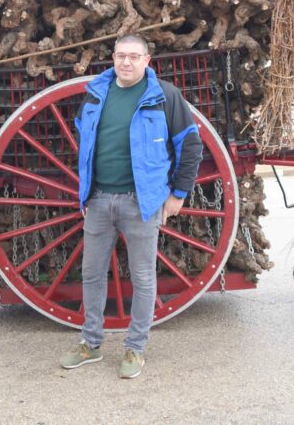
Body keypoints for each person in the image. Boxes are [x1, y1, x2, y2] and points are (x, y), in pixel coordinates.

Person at [60, 34, 202, 379]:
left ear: (147, 60)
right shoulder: (96, 94)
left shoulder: (164, 96)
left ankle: (135, 348)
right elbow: (86, 139)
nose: (126, 62)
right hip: (99, 200)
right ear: (113, 58)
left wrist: (178, 194)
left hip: (142, 202)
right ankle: (90, 343)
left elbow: (191, 146)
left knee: (142, 277)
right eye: (121, 56)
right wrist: (87, 191)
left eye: (134, 56)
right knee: (92, 273)